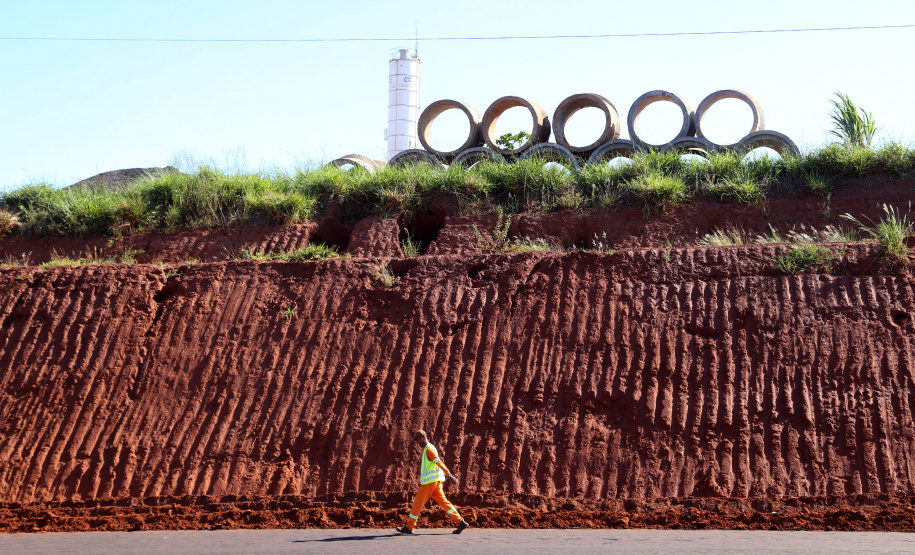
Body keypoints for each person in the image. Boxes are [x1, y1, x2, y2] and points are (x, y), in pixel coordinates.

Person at [395, 430, 470, 535]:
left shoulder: (429, 450)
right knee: (445, 503)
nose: (417, 443)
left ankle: (409, 527)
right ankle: (460, 522)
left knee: (417, 504)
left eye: (417, 440)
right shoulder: (430, 448)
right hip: (436, 483)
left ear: (421, 438)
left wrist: (449, 475)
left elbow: (439, 462)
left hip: (429, 483)